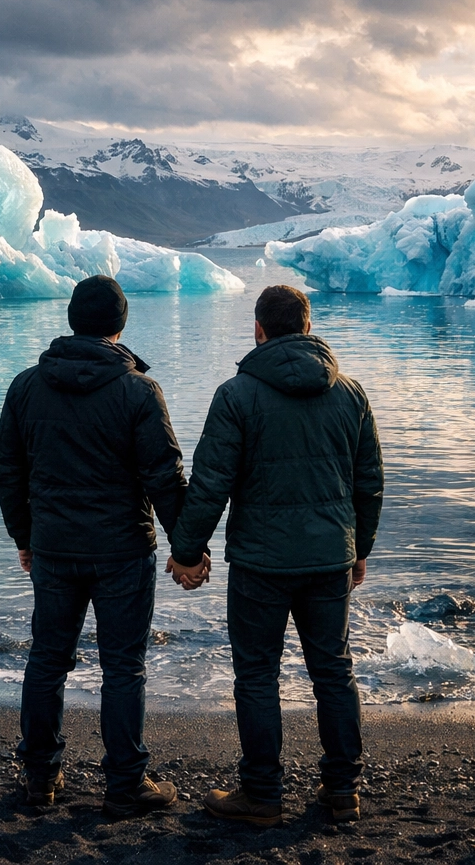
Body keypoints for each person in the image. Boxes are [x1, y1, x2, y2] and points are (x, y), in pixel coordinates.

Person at [167, 284, 383, 826]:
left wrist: (187, 552)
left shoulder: (237, 395)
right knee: (333, 670)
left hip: (261, 563)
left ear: (258, 329)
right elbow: (370, 484)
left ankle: (262, 795)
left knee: (258, 674)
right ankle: (342, 792)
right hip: (330, 557)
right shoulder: (351, 394)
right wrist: (359, 550)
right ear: (308, 328)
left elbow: (211, 483)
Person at [0, 275, 194, 816]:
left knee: (47, 660)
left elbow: (8, 473)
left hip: (54, 548)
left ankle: (41, 778)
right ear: (121, 324)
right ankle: (126, 784)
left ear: (71, 319)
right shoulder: (137, 390)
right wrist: (187, 547)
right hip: (123, 549)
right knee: (124, 667)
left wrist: (25, 538)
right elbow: (164, 474)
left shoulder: (27, 386)